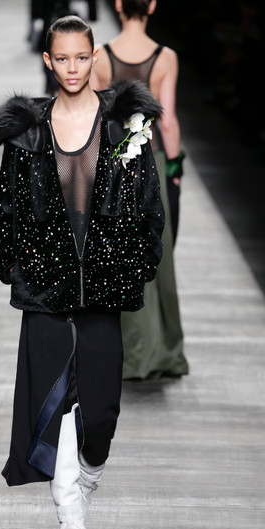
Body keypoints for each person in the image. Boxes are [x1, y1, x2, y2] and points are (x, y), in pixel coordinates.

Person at [0, 15, 164, 529]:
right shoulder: (29, 132)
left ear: (94, 58)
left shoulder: (123, 126)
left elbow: (148, 203)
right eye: (61, 58)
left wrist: (140, 263)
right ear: (48, 60)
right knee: (54, 408)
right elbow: (6, 207)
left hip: (103, 290)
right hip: (46, 289)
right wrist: (13, 264)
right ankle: (71, 522)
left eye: (81, 57)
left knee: (102, 414)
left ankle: (85, 483)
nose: (71, 68)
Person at [90, 0, 189, 380]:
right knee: (156, 252)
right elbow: (169, 121)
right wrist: (174, 169)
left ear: (117, 4)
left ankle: (124, 352)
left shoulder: (101, 57)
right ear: (152, 5)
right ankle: (163, 352)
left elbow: (95, 118)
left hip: (113, 166)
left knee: (117, 254)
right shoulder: (165, 57)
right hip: (153, 164)